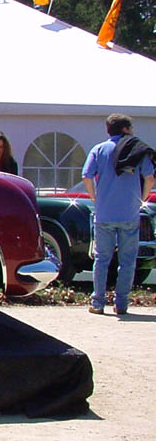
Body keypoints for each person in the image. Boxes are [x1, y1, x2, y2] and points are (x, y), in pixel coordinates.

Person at [82, 113, 155, 315]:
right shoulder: (137, 150)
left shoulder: (98, 149)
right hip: (129, 214)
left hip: (104, 213)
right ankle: (121, 304)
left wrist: (96, 198)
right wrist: (142, 199)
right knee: (128, 261)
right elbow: (149, 178)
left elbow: (87, 176)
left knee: (102, 259)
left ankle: (98, 302)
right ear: (125, 129)